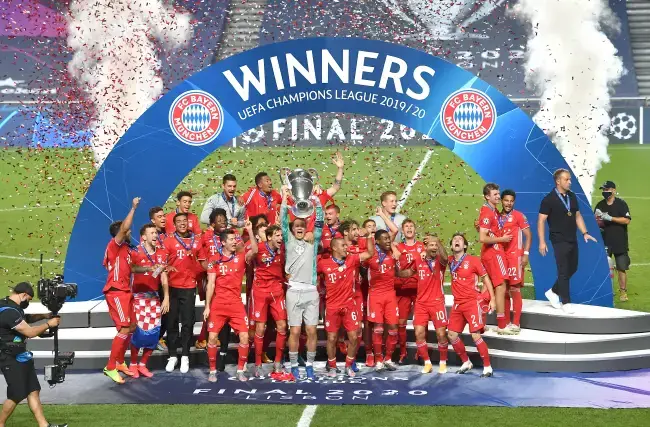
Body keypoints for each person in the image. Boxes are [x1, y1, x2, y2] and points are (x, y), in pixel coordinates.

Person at [102, 197, 155, 384]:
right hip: (116, 291)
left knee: (131, 327)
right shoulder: (114, 245)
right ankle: (110, 367)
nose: (130, 232)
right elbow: (124, 228)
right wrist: (133, 208)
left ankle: (118, 362)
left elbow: (132, 268)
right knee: (124, 327)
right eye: (127, 231)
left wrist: (149, 269)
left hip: (126, 291)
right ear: (119, 234)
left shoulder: (125, 249)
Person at [0, 282, 66, 427]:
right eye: (29, 299)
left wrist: (45, 316)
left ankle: (44, 425)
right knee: (17, 394)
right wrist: (48, 324)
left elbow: (25, 318)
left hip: (20, 355)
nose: (28, 302)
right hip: (10, 358)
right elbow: (29, 332)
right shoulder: (9, 312)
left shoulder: (9, 305)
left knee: (33, 390)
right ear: (24, 294)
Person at [538, 169, 597, 314]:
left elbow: (577, 215)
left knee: (573, 267)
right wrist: (542, 242)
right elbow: (541, 221)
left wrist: (585, 233)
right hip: (558, 239)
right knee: (563, 270)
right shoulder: (549, 199)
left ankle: (553, 291)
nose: (570, 182)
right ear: (558, 181)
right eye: (566, 179)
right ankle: (566, 302)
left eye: (570, 179)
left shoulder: (572, 196)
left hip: (572, 238)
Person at [203, 225, 257, 382]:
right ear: (223, 242)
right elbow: (211, 284)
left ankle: (240, 370)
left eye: (235, 239)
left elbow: (254, 250)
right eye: (232, 239)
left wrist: (250, 231)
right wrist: (207, 306)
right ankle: (212, 371)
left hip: (236, 305)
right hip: (218, 304)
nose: (235, 242)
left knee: (245, 337)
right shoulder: (214, 260)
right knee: (212, 338)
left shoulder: (241, 257)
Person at [281, 184, 323, 380]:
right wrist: (284, 198)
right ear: (292, 229)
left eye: (302, 225)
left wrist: (317, 201)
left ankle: (310, 365)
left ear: (306, 229)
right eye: (296, 225)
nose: (299, 227)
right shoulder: (289, 241)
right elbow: (283, 220)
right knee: (295, 331)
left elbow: (320, 222)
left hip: (311, 292)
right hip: (294, 292)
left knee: (312, 330)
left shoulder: (313, 243)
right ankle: (294, 365)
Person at [318, 237, 374, 378]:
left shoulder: (351, 259)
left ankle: (348, 365)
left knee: (354, 337)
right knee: (332, 338)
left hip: (349, 305)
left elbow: (370, 253)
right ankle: (332, 366)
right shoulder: (323, 263)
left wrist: (368, 236)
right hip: (332, 306)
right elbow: (311, 273)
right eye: (343, 245)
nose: (346, 247)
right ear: (334, 248)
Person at [363, 230, 414, 372]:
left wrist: (413, 270)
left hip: (390, 295)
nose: (387, 241)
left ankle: (388, 358)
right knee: (378, 328)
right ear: (377, 241)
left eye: (388, 238)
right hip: (375, 295)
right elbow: (362, 269)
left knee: (393, 329)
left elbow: (399, 272)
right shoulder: (370, 255)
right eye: (384, 239)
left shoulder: (393, 255)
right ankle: (378, 360)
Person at [446, 233, 496, 377]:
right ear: (451, 246)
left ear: (465, 246)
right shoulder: (450, 261)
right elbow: (438, 254)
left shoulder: (473, 260)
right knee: (452, 335)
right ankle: (466, 362)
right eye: (454, 240)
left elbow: (486, 279)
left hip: (471, 302)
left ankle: (487, 366)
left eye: (460, 240)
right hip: (457, 304)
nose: (457, 241)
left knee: (475, 335)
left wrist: (492, 298)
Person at [163, 212, 203, 374]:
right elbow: (162, 264)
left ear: (188, 223)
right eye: (179, 221)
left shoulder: (196, 241)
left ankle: (185, 355)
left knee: (187, 323)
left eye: (184, 221)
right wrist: (167, 268)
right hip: (172, 286)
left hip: (189, 287)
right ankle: (173, 355)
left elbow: (203, 262)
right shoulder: (168, 241)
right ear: (174, 225)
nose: (182, 223)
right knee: (171, 322)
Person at [128, 224, 170, 378]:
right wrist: (147, 269)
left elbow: (163, 276)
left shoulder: (161, 253)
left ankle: (143, 364)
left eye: (156, 233)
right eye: (151, 233)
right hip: (138, 297)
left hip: (154, 297)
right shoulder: (135, 252)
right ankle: (133, 364)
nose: (155, 235)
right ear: (143, 237)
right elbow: (131, 269)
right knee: (139, 333)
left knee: (154, 333)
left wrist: (166, 297)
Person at [250, 225, 289, 379]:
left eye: (281, 235)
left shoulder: (283, 250)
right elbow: (251, 254)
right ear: (269, 237)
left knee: (282, 326)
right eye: (277, 236)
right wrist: (249, 231)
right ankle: (258, 364)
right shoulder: (259, 248)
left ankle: (278, 362)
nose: (280, 238)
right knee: (260, 328)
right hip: (260, 291)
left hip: (277, 291)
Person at [477, 183, 512, 335]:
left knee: (487, 287)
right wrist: (501, 239)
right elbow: (482, 237)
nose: (498, 196)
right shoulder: (488, 213)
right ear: (487, 196)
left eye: (498, 193)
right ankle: (502, 325)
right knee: (501, 285)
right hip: (494, 253)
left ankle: (479, 322)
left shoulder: (492, 210)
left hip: (491, 252)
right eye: (495, 194)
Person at [412, 234, 449, 374]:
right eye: (431, 245)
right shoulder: (419, 259)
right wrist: (396, 272)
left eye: (436, 245)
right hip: (421, 303)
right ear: (425, 248)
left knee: (441, 334)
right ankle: (427, 363)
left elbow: (445, 257)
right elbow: (410, 272)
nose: (434, 247)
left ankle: (443, 362)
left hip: (437, 302)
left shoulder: (441, 261)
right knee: (419, 333)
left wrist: (437, 241)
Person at [594, 181, 632, 302]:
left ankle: (623, 292)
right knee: (604, 267)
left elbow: (626, 220)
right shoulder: (600, 205)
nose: (605, 192)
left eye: (607, 189)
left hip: (620, 241)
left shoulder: (621, 204)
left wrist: (610, 218)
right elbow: (596, 222)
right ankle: (606, 291)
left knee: (621, 267)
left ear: (614, 190)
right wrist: (598, 220)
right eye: (603, 190)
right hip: (604, 241)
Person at [500, 189, 532, 333]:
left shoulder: (519, 216)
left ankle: (516, 323)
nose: (509, 203)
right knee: (505, 290)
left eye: (511, 201)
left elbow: (528, 235)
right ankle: (507, 322)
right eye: (506, 200)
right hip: (501, 258)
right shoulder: (497, 216)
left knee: (514, 288)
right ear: (502, 201)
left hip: (515, 258)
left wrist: (526, 254)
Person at [394, 219, 424, 364]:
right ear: (402, 231)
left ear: (415, 229)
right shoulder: (397, 247)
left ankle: (421, 352)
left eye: (411, 226)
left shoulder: (422, 247)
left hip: (419, 290)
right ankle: (403, 352)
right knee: (401, 323)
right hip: (403, 290)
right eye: (406, 226)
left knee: (420, 322)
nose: (409, 228)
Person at [149, 206, 169, 351]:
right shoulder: (150, 236)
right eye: (159, 217)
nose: (163, 219)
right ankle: (152, 340)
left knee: (167, 313)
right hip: (156, 281)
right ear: (153, 220)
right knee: (157, 312)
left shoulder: (168, 234)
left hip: (168, 279)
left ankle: (158, 338)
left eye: (163, 216)